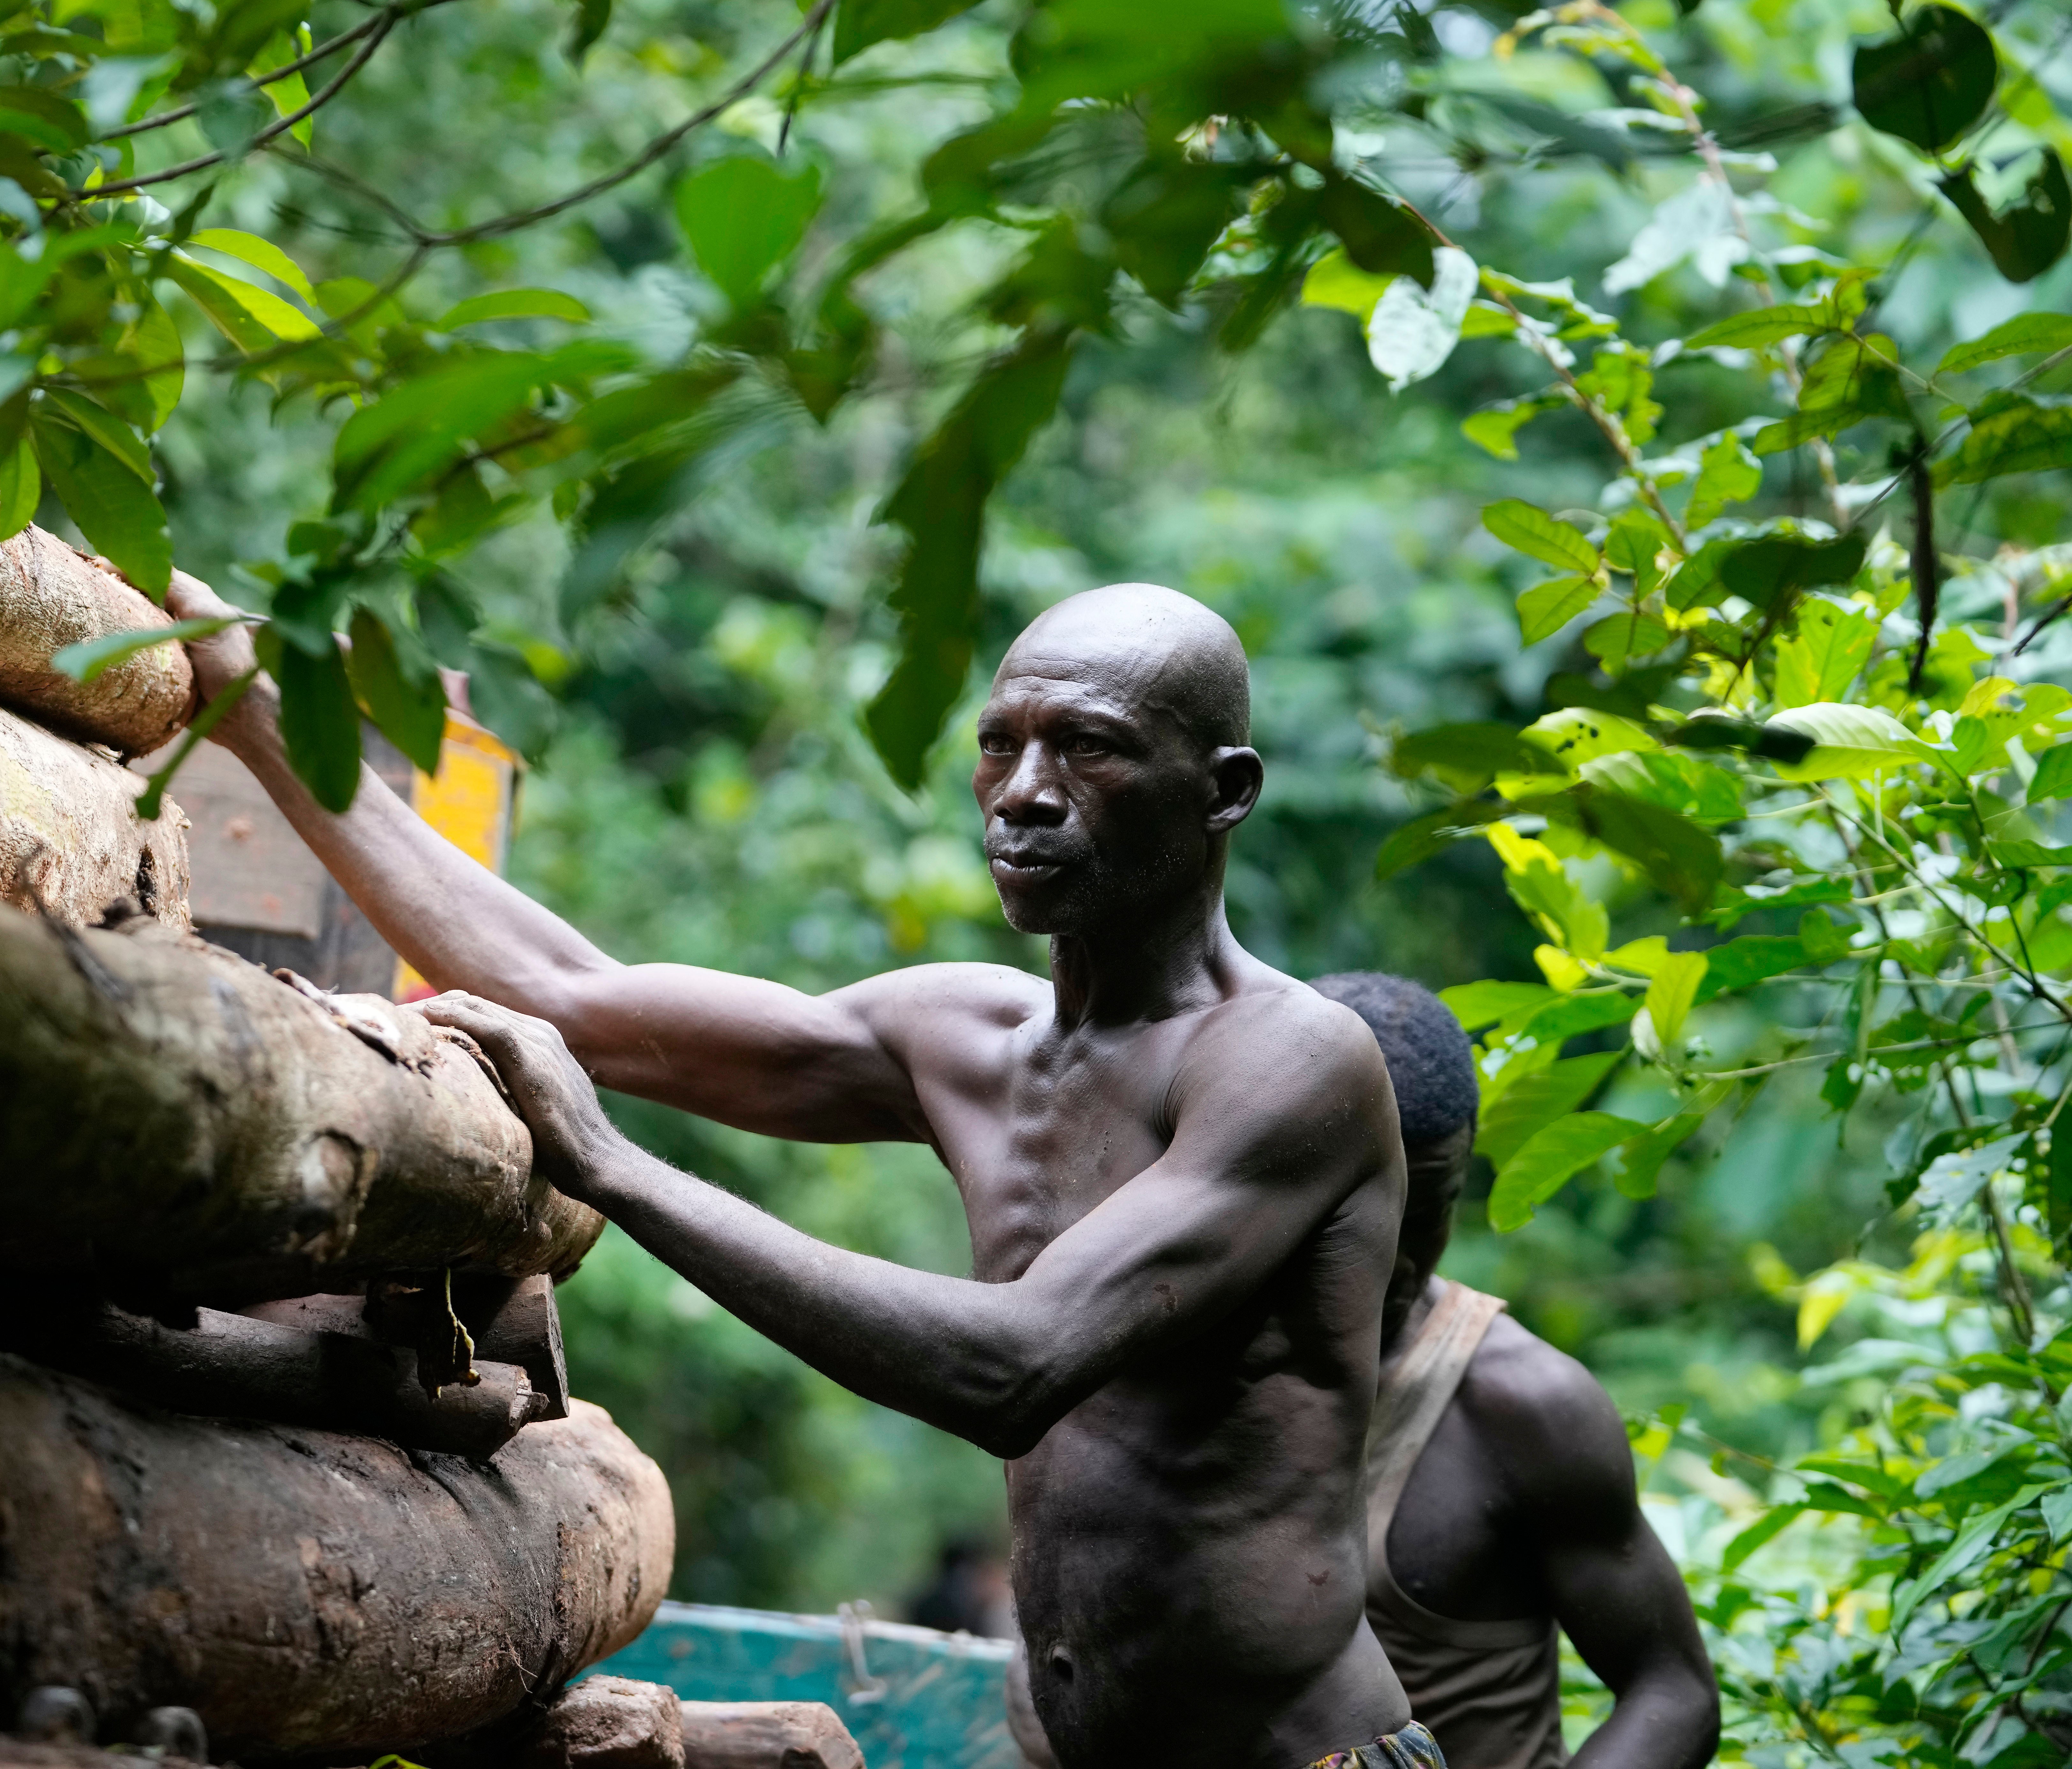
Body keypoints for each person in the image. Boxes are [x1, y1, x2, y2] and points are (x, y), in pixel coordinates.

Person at [166, 574, 1428, 1769]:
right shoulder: (968, 1038)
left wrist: (611, 1164)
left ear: (1225, 792)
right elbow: (565, 994)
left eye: (1089, 747)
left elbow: (1014, 1366)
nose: (1024, 791)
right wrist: (255, 708)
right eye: (1002, 743)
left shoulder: (1290, 1065)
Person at [1304, 973, 1721, 1769]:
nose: (1397, 1263)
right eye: (1355, 1216)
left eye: (1431, 1213)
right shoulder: (1164, 1356)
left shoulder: (1523, 1407)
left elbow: (1673, 1694)